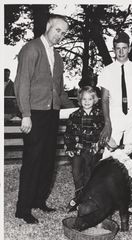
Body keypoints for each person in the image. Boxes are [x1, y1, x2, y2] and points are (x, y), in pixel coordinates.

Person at [14, 14, 74, 224]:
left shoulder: (57, 57)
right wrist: (26, 115)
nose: (61, 35)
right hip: (35, 114)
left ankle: (39, 200)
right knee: (32, 160)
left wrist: (76, 109)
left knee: (48, 159)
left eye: (64, 33)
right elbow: (21, 84)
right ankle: (23, 208)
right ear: (48, 26)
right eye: (58, 30)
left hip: (52, 113)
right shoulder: (31, 49)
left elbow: (58, 90)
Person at [97, 31, 132, 149]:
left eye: (124, 48)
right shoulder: (107, 71)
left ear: (129, 49)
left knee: (131, 152)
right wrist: (107, 122)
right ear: (114, 49)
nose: (121, 52)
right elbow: (105, 99)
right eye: (118, 48)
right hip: (115, 114)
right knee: (109, 151)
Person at [64, 86, 104, 212]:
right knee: (76, 173)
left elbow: (103, 133)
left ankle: (87, 199)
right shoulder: (74, 115)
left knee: (89, 173)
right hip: (77, 150)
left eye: (90, 99)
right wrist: (69, 147)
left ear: (95, 100)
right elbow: (68, 133)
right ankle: (78, 196)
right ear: (80, 100)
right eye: (84, 99)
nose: (87, 102)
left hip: (92, 151)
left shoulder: (100, 115)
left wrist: (100, 146)